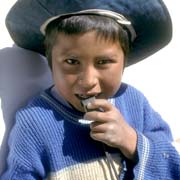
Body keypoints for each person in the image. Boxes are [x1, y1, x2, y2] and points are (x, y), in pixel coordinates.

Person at [1, 0, 180, 179]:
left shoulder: (135, 102)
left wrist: (132, 141)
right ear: (50, 61)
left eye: (103, 62)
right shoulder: (33, 123)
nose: (88, 81)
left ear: (124, 61)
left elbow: (171, 160)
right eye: (71, 62)